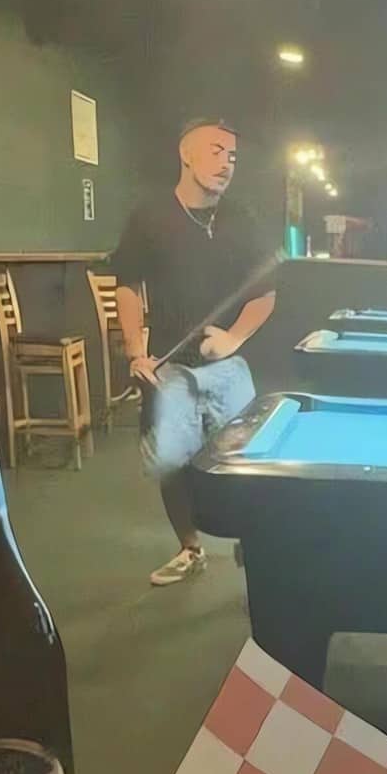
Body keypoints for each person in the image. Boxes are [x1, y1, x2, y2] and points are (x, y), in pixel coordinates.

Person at [111, 117, 275, 586]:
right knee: (171, 462)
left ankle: (252, 548)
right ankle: (190, 549)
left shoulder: (242, 219)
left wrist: (234, 338)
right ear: (186, 154)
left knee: (244, 463)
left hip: (229, 365)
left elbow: (265, 294)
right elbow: (126, 283)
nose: (227, 164)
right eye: (217, 151)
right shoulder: (151, 215)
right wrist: (134, 350)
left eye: (234, 157)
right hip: (169, 364)